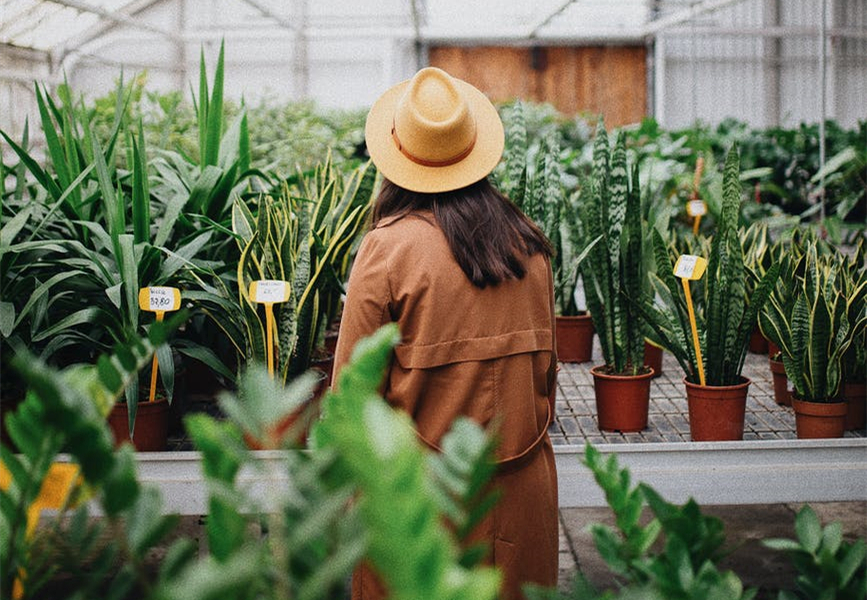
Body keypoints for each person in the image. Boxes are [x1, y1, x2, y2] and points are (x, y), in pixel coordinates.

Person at [332, 66, 559, 600]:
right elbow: (544, 378)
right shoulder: (531, 248)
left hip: (419, 503)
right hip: (521, 495)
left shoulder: (387, 250)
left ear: (397, 158)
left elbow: (352, 394)